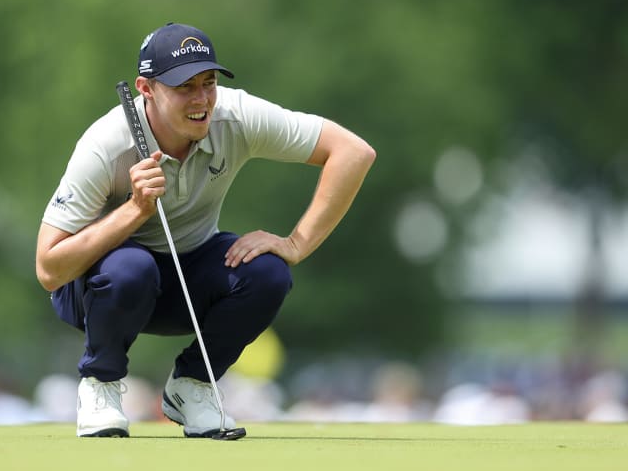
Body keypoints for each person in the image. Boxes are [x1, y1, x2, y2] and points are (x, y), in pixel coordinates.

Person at [35, 22, 375, 438]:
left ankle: (193, 385)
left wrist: (295, 244)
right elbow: (50, 269)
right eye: (184, 87)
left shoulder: (234, 115)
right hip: (101, 288)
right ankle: (101, 384)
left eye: (208, 83)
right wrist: (134, 211)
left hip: (188, 278)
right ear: (146, 89)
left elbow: (353, 152)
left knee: (267, 272)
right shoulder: (106, 144)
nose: (201, 101)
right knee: (132, 267)